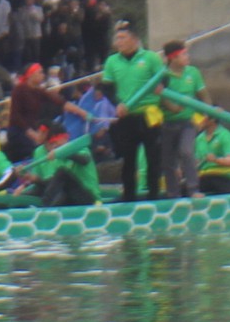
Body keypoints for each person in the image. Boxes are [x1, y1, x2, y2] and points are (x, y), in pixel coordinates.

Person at [100, 23, 165, 200]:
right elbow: (107, 87)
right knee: (128, 157)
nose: (118, 42)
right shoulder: (112, 61)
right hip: (126, 114)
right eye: (117, 38)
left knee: (153, 156)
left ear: (135, 39)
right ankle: (129, 194)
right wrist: (117, 104)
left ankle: (154, 193)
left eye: (123, 38)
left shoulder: (150, 58)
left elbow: (163, 78)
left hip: (149, 113)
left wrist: (161, 86)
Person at [157, 41, 208, 198]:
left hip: (187, 122)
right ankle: (173, 194)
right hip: (167, 123)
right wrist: (174, 107)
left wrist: (207, 112)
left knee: (186, 151)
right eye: (184, 54)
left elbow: (204, 95)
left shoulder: (193, 72)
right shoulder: (163, 75)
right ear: (173, 58)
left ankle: (193, 189)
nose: (188, 57)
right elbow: (161, 98)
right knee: (168, 161)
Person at [27, 122, 99, 206]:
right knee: (42, 187)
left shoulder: (80, 148)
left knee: (62, 173)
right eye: (52, 144)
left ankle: (45, 204)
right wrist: (34, 179)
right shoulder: (59, 158)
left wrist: (62, 153)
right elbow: (52, 182)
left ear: (65, 137)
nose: (54, 146)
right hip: (71, 196)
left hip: (90, 198)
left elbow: (84, 160)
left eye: (55, 142)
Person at [193, 118, 230, 194]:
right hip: (204, 177)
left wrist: (215, 160)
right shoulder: (199, 139)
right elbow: (196, 163)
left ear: (212, 120)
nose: (199, 119)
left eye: (202, 116)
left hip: (224, 177)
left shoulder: (225, 135)